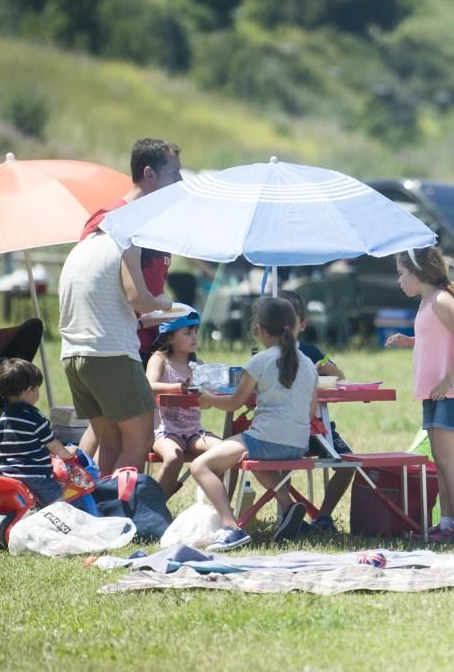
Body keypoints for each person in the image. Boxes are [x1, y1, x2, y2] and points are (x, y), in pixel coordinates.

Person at [77, 138, 183, 460]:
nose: (180, 183)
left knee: (111, 432)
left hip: (143, 340)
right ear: (149, 174)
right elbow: (91, 282)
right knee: (119, 433)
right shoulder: (110, 220)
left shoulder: (155, 226)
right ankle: (88, 496)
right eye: (174, 174)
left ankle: (92, 497)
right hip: (114, 343)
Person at [191, 297, 318, 551]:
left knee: (200, 465)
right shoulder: (309, 365)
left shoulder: (260, 361)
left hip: (265, 440)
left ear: (259, 329)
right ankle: (287, 506)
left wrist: (207, 399)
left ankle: (231, 527)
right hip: (297, 444)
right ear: (294, 325)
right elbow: (311, 410)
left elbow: (233, 404)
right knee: (252, 455)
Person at [385, 247, 454, 543]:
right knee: (440, 457)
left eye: (402, 273)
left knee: (447, 457)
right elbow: (440, 337)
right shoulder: (428, 300)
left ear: (418, 272)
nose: (399, 280)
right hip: (437, 391)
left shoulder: (440, 300)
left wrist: (449, 379)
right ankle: (447, 523)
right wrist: (412, 340)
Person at [278, 289, 352, 533]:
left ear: (303, 324)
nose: (285, 328)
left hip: (318, 430)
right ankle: (288, 514)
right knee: (279, 465)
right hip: (283, 428)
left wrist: (325, 366)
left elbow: (340, 375)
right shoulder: (268, 356)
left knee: (348, 463)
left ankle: (323, 516)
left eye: (291, 322)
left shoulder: (310, 351)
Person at [145, 305, 221, 497]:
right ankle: (153, 507)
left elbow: (206, 403)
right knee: (173, 457)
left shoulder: (198, 365)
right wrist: (176, 388)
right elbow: (148, 386)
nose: (194, 337)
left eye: (196, 332)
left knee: (229, 453)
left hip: (194, 431)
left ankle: (222, 511)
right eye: (187, 333)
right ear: (169, 337)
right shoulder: (160, 359)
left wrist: (209, 397)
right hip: (164, 430)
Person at [0, 358, 77, 506]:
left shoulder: (3, 419)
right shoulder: (34, 418)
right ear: (29, 390)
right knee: (61, 506)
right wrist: (68, 454)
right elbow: (54, 446)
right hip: (35, 476)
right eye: (37, 388)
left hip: (8, 474)